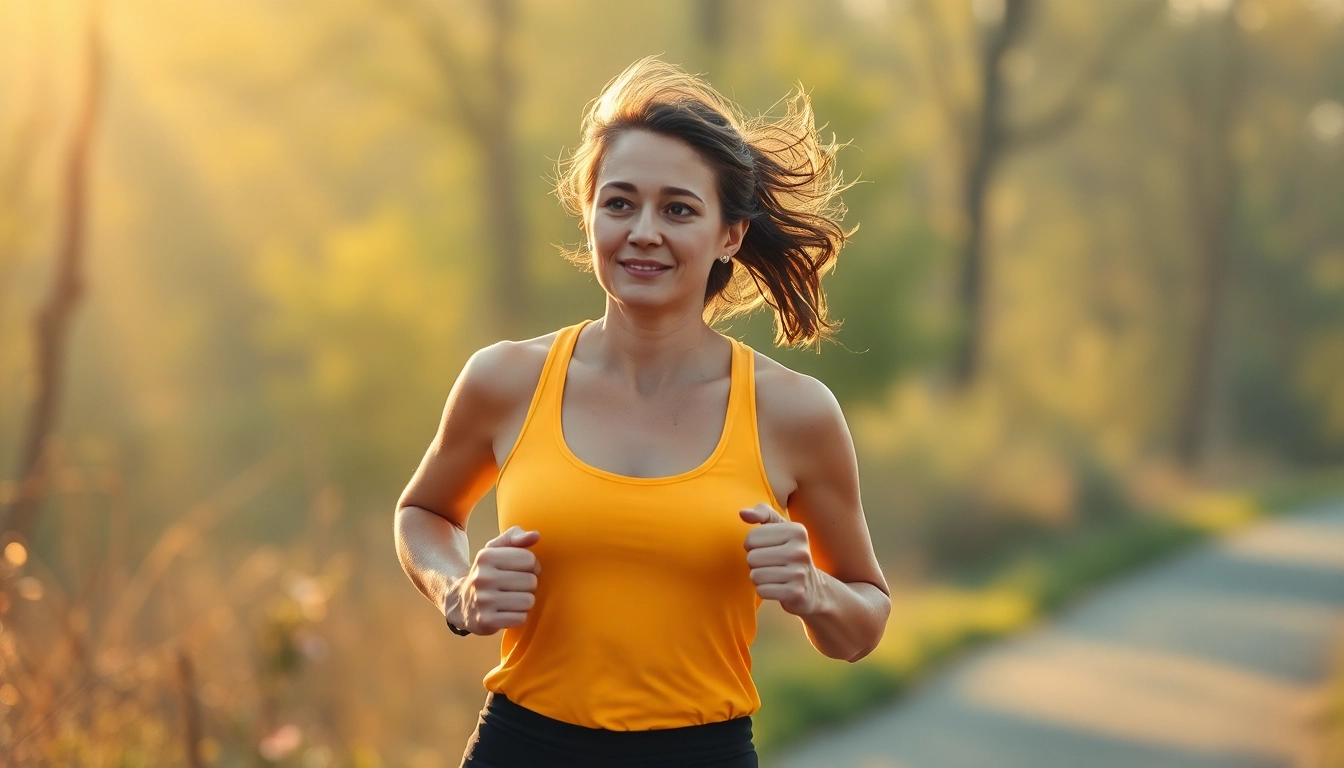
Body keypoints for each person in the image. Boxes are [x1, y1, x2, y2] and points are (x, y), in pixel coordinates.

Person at [394, 56, 890, 768]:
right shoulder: (506, 379)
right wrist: (456, 590)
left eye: (678, 209)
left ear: (729, 235)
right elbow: (424, 513)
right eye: (620, 203)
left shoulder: (794, 412)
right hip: (522, 747)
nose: (643, 232)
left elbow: (862, 624)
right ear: (589, 214)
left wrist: (814, 591)